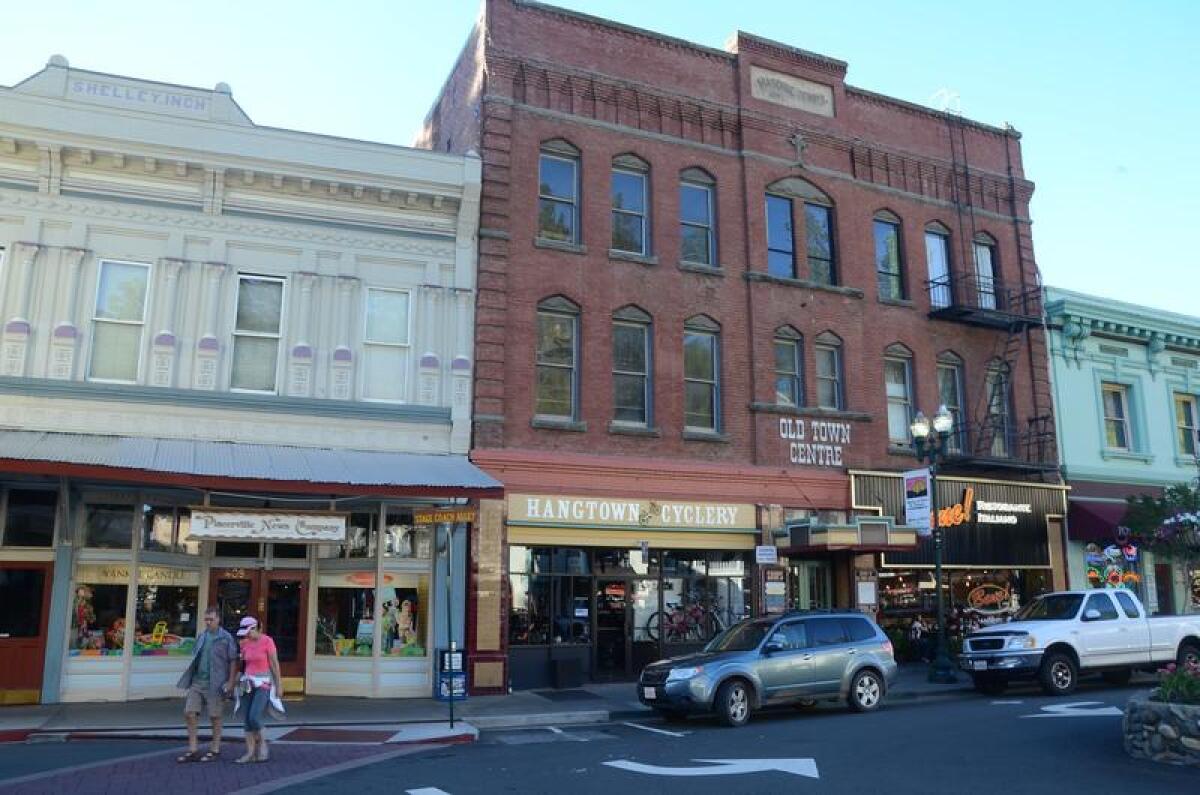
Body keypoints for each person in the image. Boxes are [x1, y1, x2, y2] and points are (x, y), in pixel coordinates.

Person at [175, 607, 238, 763]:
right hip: (198, 681)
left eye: (211, 619)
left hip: (216, 682)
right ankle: (193, 749)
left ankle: (214, 749)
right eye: (206, 619)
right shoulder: (202, 636)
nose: (208, 622)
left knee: (215, 716)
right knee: (189, 712)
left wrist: (230, 682)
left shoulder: (226, 638)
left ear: (218, 619)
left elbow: (233, 660)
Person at [234, 616, 284, 764]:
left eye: (250, 631)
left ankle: (263, 743)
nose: (247, 635)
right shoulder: (244, 643)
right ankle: (250, 752)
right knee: (247, 720)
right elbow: (242, 665)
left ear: (257, 628)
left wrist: (279, 684)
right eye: (245, 632)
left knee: (254, 716)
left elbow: (274, 664)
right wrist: (234, 683)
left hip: (263, 682)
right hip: (247, 683)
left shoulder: (267, 641)